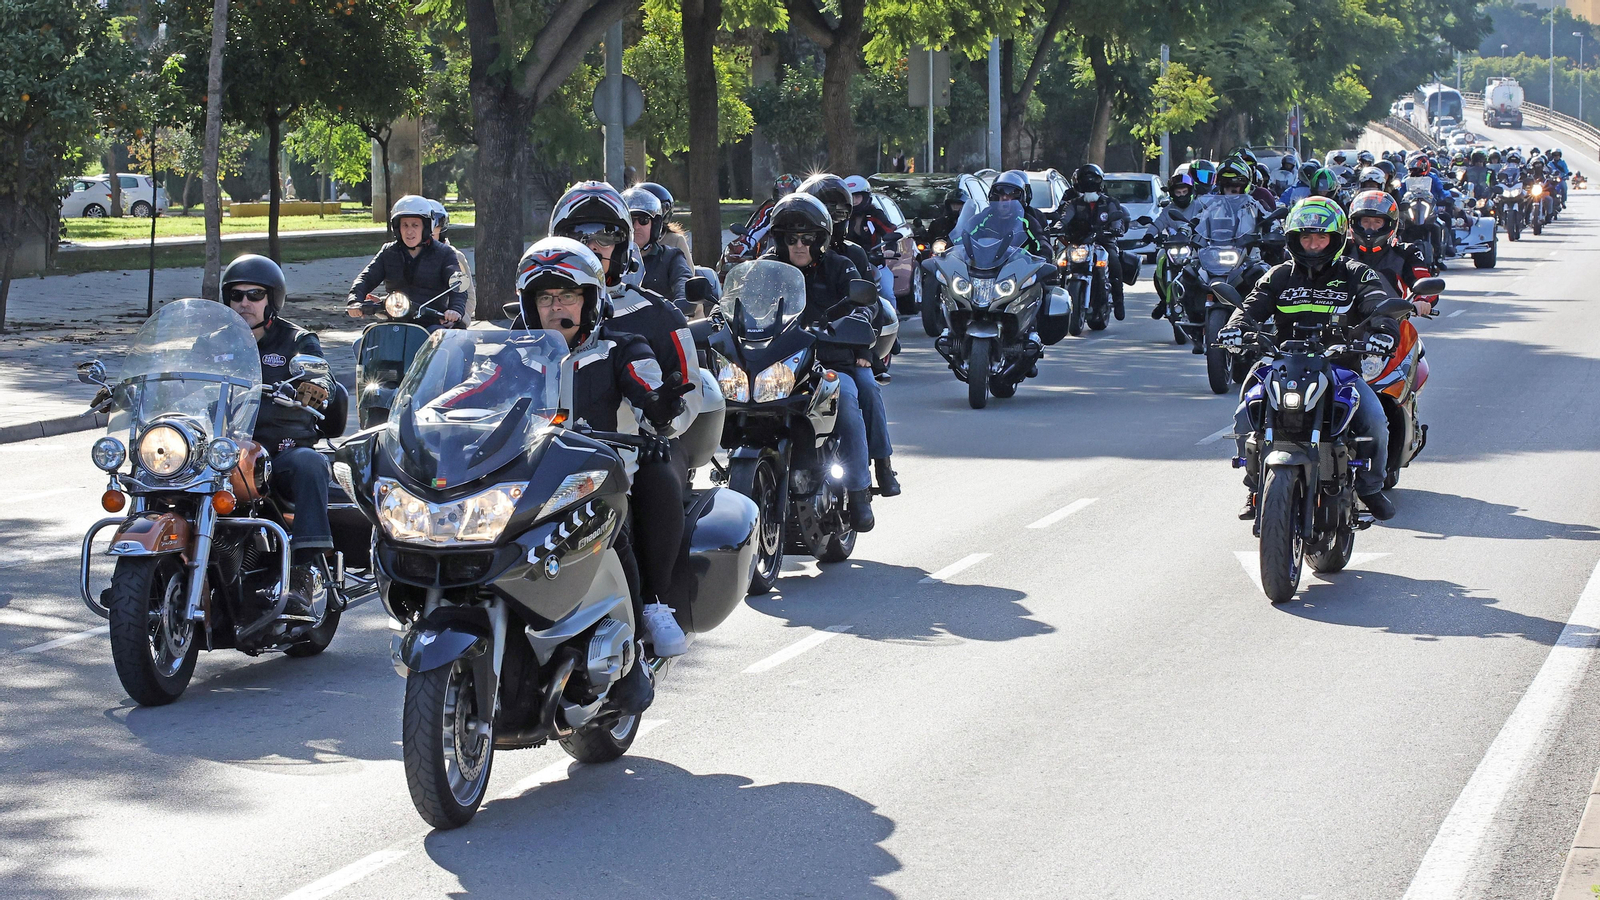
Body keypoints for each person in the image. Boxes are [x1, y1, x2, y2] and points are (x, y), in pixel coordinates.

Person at [548, 182, 704, 625]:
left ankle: (654, 602)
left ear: (623, 245)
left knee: (659, 477)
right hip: (552, 446)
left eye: (604, 237)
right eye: (580, 237)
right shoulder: (533, 315)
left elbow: (684, 393)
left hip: (639, 442)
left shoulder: (658, 314)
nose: (592, 247)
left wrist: (660, 420)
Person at [1218, 197, 1401, 521]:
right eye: (1306, 238)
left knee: (1376, 422)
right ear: (1294, 239)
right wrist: (1234, 329)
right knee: (1245, 412)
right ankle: (1255, 487)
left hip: (1340, 367)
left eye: (1321, 238)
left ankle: (1371, 489)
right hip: (1281, 363)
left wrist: (1384, 331)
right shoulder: (1278, 276)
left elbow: (1378, 305)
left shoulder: (1357, 273)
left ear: (1336, 238)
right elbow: (1249, 308)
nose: (1313, 245)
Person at [220, 254, 336, 616]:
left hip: (279, 452)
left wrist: (311, 387)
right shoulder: (214, 341)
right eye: (236, 296)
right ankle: (144, 573)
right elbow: (187, 377)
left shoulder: (297, 340)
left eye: (254, 295)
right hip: (223, 452)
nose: (244, 303)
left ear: (271, 299)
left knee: (310, 464)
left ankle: (306, 569)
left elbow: (324, 381)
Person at [759, 192, 882, 526]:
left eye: (807, 238)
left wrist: (853, 327)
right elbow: (742, 304)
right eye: (791, 238)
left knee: (849, 400)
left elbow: (866, 306)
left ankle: (858, 491)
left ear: (821, 240)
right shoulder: (765, 270)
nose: (799, 245)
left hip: (828, 363)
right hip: (777, 364)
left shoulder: (840, 266)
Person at [346, 195, 467, 327]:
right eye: (405, 225)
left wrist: (455, 309)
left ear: (426, 227)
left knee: (440, 342)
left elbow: (458, 284)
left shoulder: (444, 253)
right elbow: (366, 278)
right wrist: (354, 301)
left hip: (431, 324)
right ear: (398, 228)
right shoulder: (388, 252)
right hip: (395, 322)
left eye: (415, 225)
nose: (409, 231)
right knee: (364, 341)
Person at [1056, 164, 1132, 320]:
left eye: (1093, 180)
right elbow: (1064, 219)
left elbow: (1117, 218)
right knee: (1059, 263)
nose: (1090, 184)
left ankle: (1118, 302)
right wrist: (1056, 228)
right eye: (1086, 180)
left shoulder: (1109, 202)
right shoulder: (1074, 204)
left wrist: (1116, 229)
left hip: (1104, 241)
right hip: (1079, 243)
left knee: (1114, 261)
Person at [1348, 190, 1438, 315]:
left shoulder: (1407, 252)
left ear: (1389, 224)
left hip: (1390, 323)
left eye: (1377, 222)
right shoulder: (1341, 250)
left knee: (1410, 334)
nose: (1371, 228)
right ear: (1355, 222)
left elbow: (1424, 283)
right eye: (1366, 221)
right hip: (1339, 324)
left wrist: (1422, 301)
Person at [622, 186, 693, 306]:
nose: (636, 226)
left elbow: (683, 280)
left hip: (661, 322)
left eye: (643, 220)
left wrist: (683, 300)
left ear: (654, 225)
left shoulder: (671, 257)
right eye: (631, 220)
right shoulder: (611, 259)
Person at [1149, 170, 1199, 321]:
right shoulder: (1168, 209)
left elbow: (1206, 222)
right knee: (1159, 266)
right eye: (1178, 192)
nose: (1182, 195)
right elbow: (1158, 223)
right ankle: (1164, 300)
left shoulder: (1199, 207)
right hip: (1171, 248)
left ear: (1191, 191)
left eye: (1185, 191)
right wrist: (1149, 235)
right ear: (1172, 193)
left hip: (1195, 247)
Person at [843, 174, 900, 304]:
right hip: (845, 264)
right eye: (850, 197)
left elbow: (889, 232)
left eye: (857, 196)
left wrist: (890, 249)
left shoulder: (875, 215)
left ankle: (891, 322)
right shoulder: (840, 217)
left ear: (866, 197)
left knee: (887, 293)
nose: (854, 200)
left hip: (874, 263)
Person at [426, 199, 476, 323]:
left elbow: (468, 298)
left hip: (443, 325)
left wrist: (456, 320)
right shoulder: (408, 256)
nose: (428, 230)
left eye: (434, 225)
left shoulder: (453, 256)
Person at [638, 182, 692, 257]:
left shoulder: (675, 240)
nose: (637, 226)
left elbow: (687, 268)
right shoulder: (623, 239)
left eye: (643, 219)